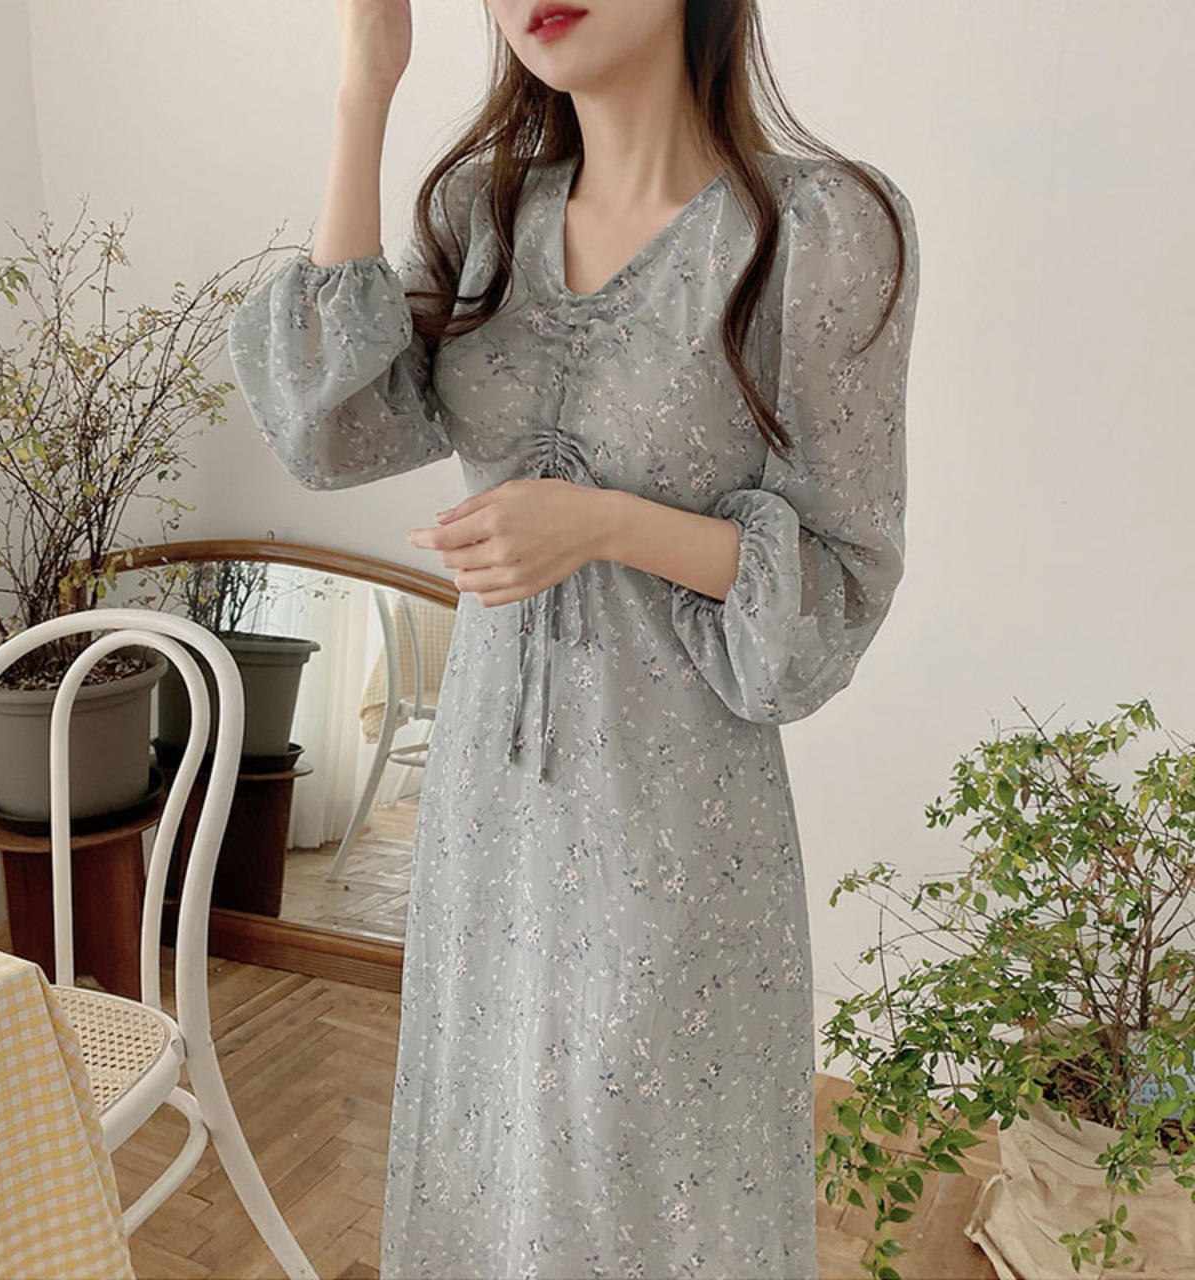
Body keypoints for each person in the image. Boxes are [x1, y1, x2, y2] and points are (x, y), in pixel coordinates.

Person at [228, 0, 920, 1275]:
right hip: (485, 819)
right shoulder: (483, 217)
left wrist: (607, 523)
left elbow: (833, 589)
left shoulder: (820, 228)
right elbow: (329, 430)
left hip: (676, 827)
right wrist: (363, 90)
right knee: (489, 1167)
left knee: (650, 1187)